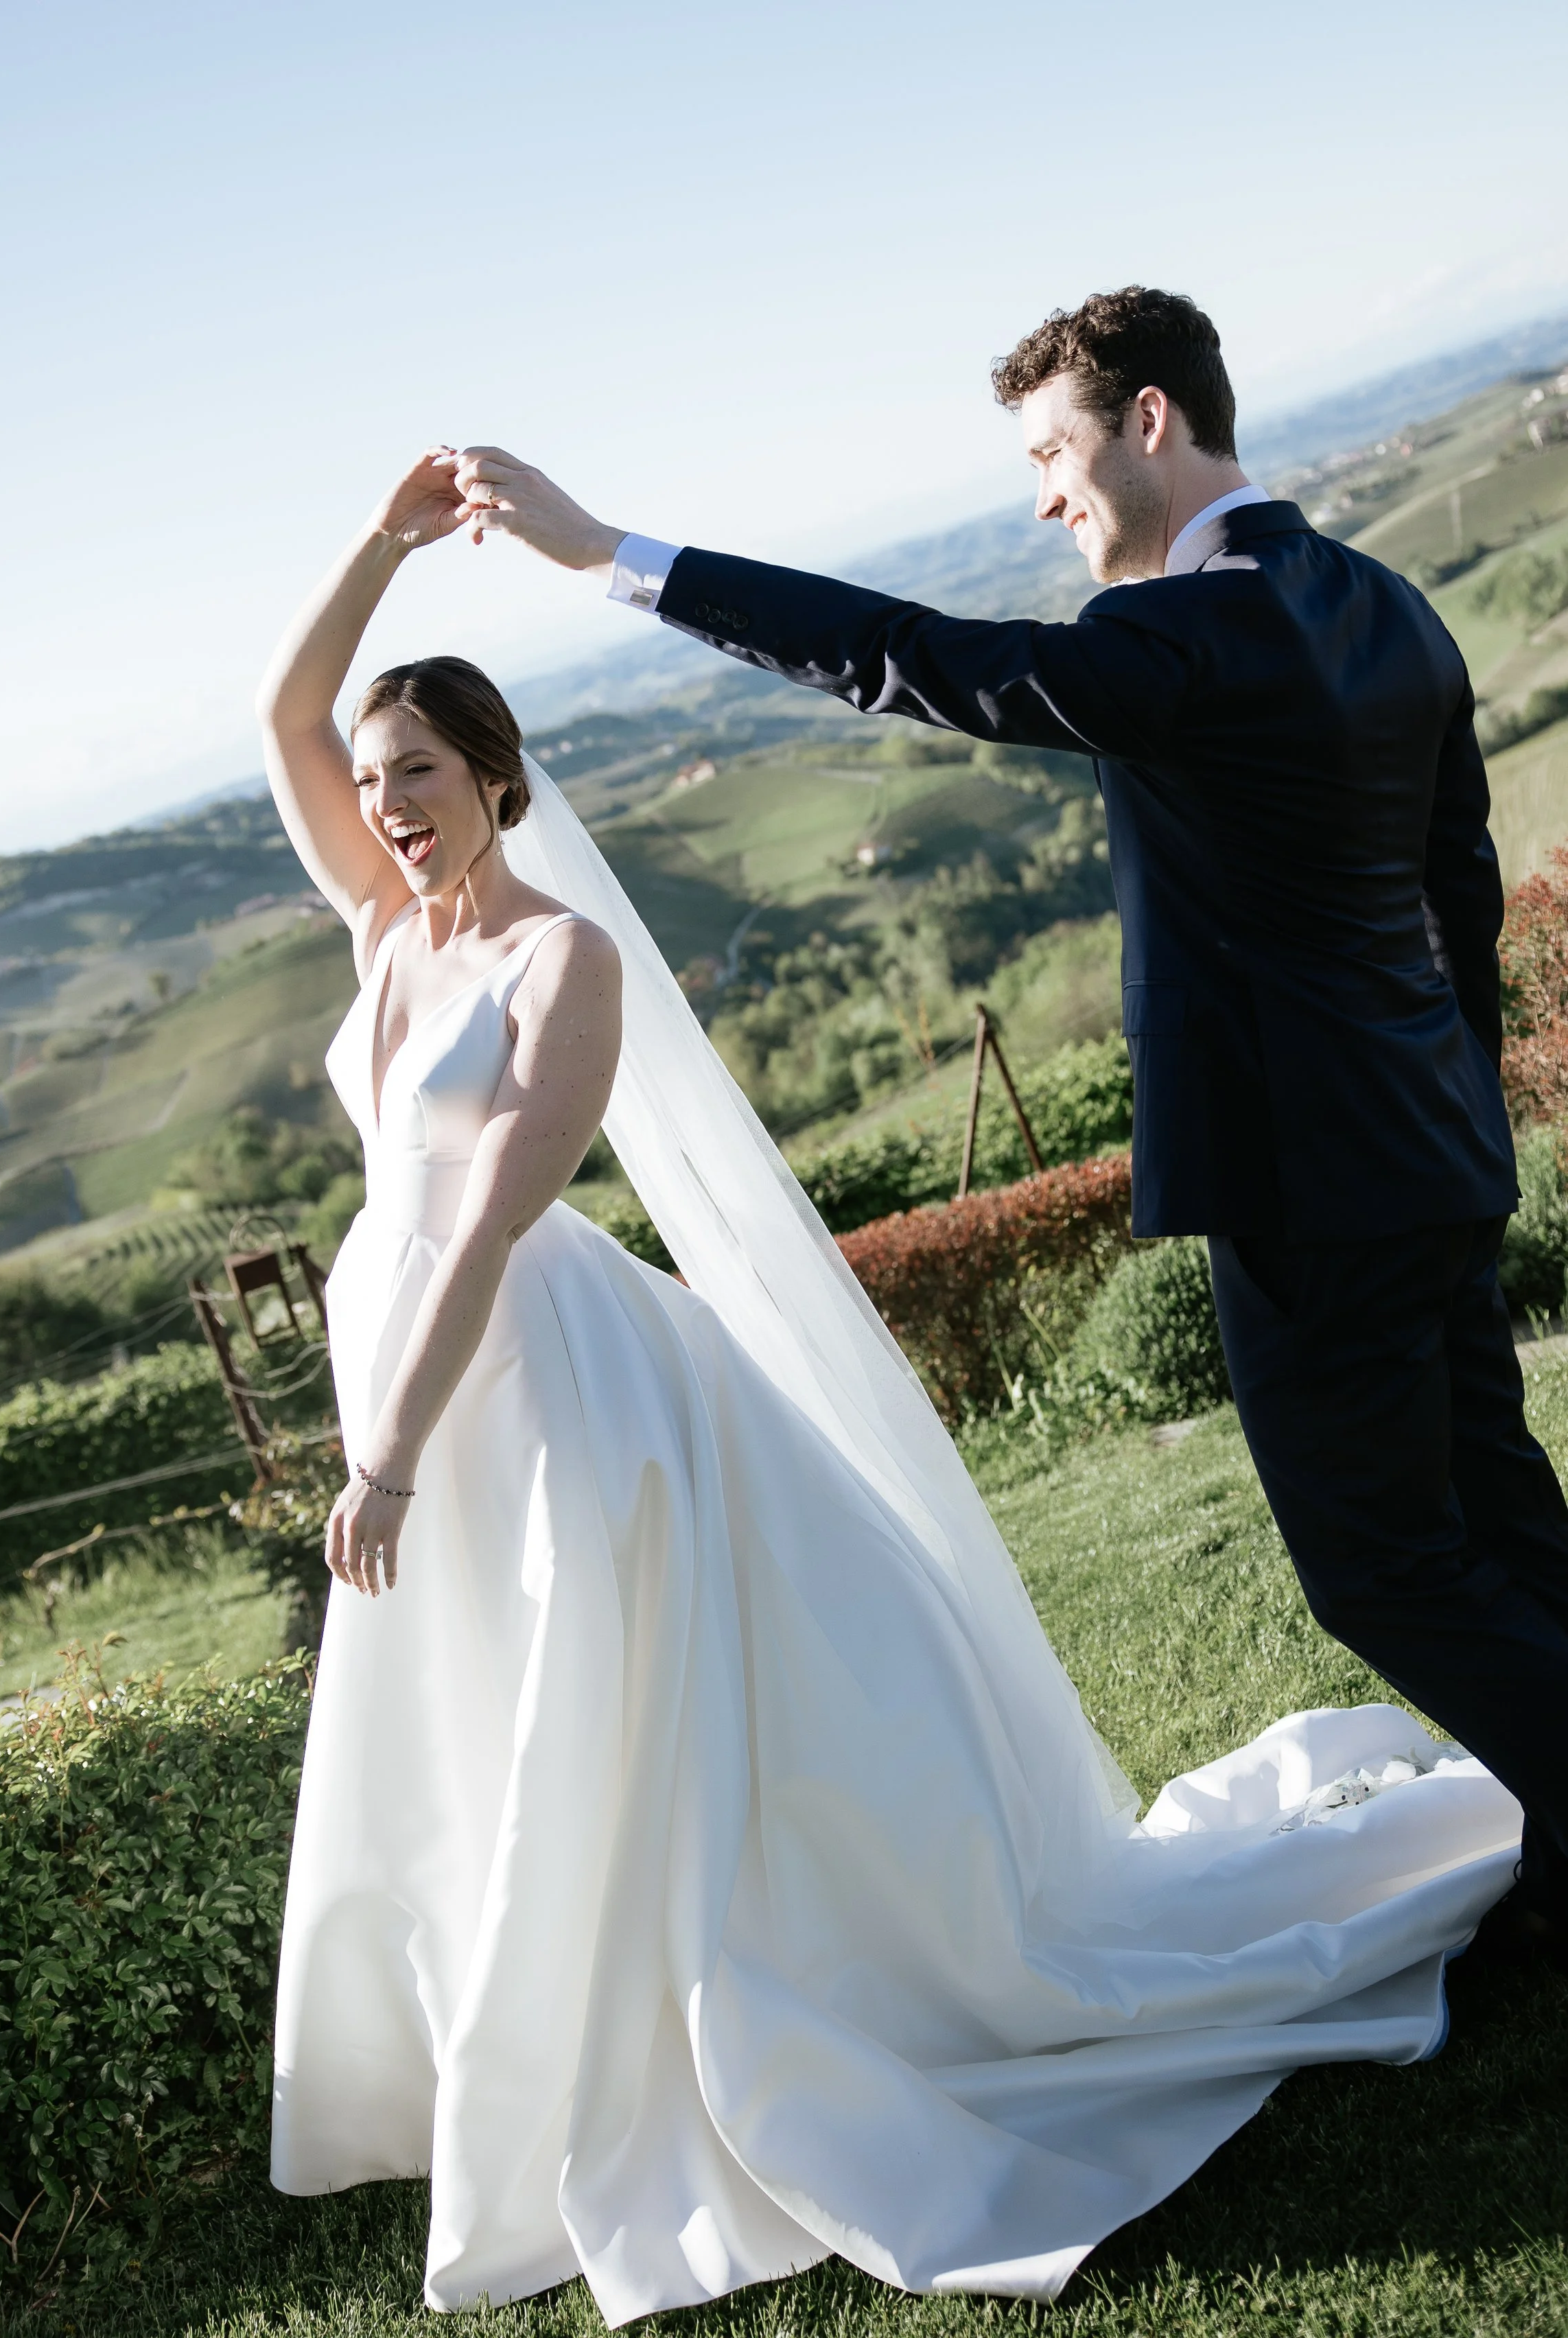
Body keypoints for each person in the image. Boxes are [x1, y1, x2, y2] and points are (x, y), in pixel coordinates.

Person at [257, 437, 1520, 2326]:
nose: (389, 808)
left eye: (420, 775)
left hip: (521, 1374)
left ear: (496, 777)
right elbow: (282, 707)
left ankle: (672, 2041)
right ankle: (500, 2055)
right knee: (475, 1717)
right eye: (372, 788)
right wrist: (380, 541)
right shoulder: (378, 931)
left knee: (606, 1717)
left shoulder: (560, 958)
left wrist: (386, 1454)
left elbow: (492, 1218)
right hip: (414, 1373)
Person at [441, 283, 1568, 1972]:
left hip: (1310, 1183)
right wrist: (1458, 1105)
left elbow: (924, 658)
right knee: (1500, 1521)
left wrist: (615, 552)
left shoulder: (1189, 639)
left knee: (1383, 1566)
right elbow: (1455, 891)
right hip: (1427, 1157)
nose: (1042, 494)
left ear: (1148, 421)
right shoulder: (1377, 600)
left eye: (1052, 448)